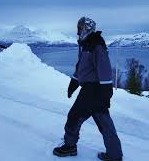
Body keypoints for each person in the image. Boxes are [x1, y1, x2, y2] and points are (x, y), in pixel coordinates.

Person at [53, 17, 123, 161]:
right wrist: (73, 82)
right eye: (78, 28)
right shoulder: (87, 44)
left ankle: (70, 146)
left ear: (87, 28)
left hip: (93, 91)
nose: (78, 32)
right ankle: (115, 155)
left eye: (80, 28)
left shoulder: (96, 45)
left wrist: (106, 91)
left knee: (74, 116)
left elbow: (104, 69)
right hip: (93, 90)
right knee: (104, 121)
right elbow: (82, 68)